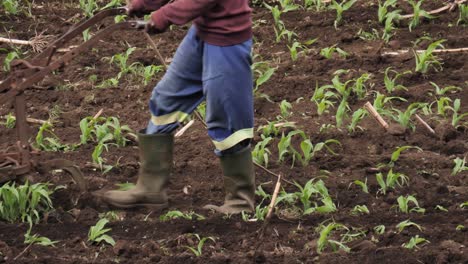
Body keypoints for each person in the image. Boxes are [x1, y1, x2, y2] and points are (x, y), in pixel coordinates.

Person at [97, 0, 256, 214]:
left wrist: (164, 15)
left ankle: (240, 201)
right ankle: (149, 189)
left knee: (227, 118)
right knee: (166, 99)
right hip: (202, 31)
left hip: (227, 39)